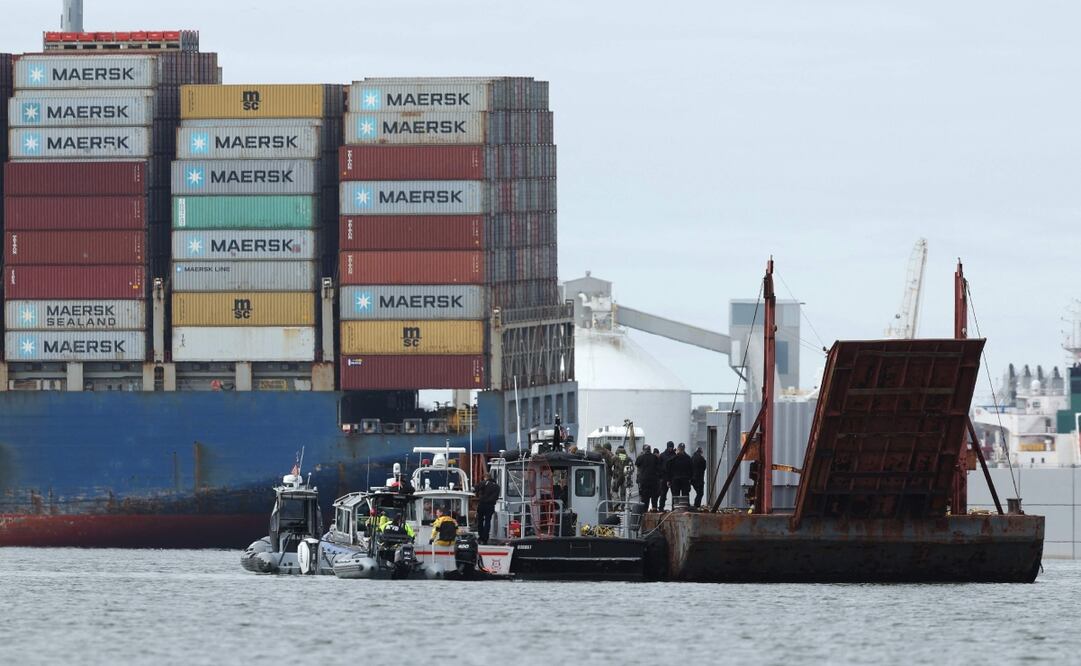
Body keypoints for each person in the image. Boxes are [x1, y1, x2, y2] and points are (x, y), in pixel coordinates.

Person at [475, 472, 500, 544]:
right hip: (490, 505)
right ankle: (485, 538)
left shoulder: (482, 483)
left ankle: (480, 536)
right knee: (487, 521)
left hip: (482, 504)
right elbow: (496, 496)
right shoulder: (497, 486)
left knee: (480, 521)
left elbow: (476, 488)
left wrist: (478, 495)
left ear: (485, 478)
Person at [635, 446, 660, 511]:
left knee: (645, 497)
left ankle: (645, 510)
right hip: (653, 481)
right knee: (654, 496)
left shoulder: (641, 457)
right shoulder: (654, 457)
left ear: (644, 450)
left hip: (644, 481)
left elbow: (637, 464)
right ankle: (654, 509)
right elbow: (658, 466)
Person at [657, 441, 677, 511]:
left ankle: (674, 508)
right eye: (670, 447)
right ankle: (661, 508)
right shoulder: (663, 455)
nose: (671, 448)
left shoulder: (673, 455)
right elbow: (659, 467)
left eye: (671, 447)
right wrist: (661, 476)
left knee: (674, 494)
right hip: (664, 477)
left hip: (672, 478)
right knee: (663, 494)